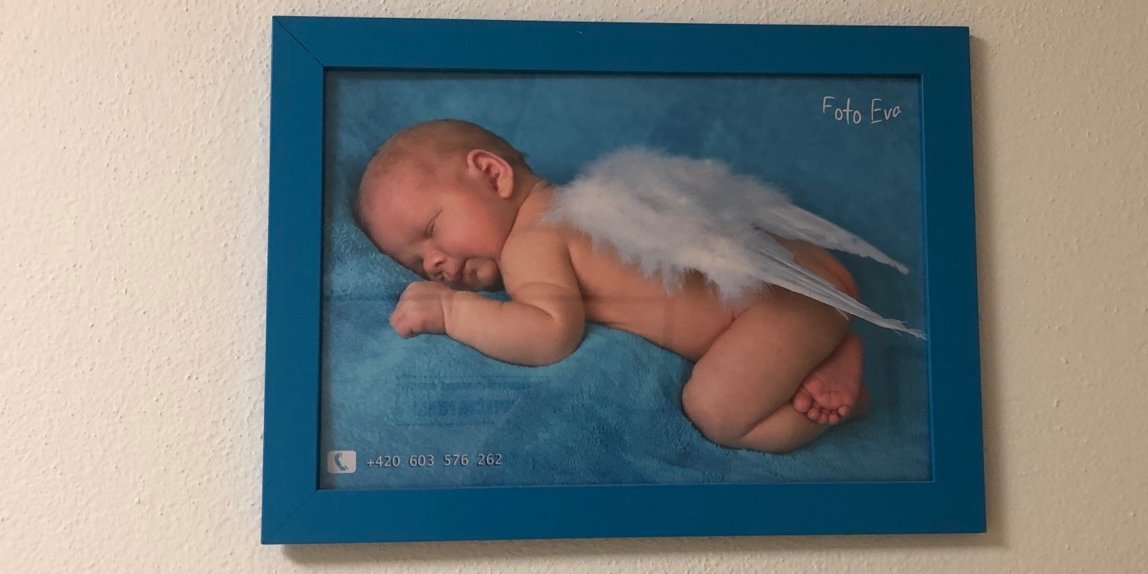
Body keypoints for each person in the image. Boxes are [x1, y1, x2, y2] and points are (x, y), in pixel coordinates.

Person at [354, 119, 876, 454]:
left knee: (718, 415)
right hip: (800, 275)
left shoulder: (533, 241)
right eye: (416, 263)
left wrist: (453, 314)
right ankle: (828, 341)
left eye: (431, 230)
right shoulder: (588, 201)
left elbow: (548, 333)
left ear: (492, 174)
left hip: (779, 307)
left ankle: (839, 401)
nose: (434, 263)